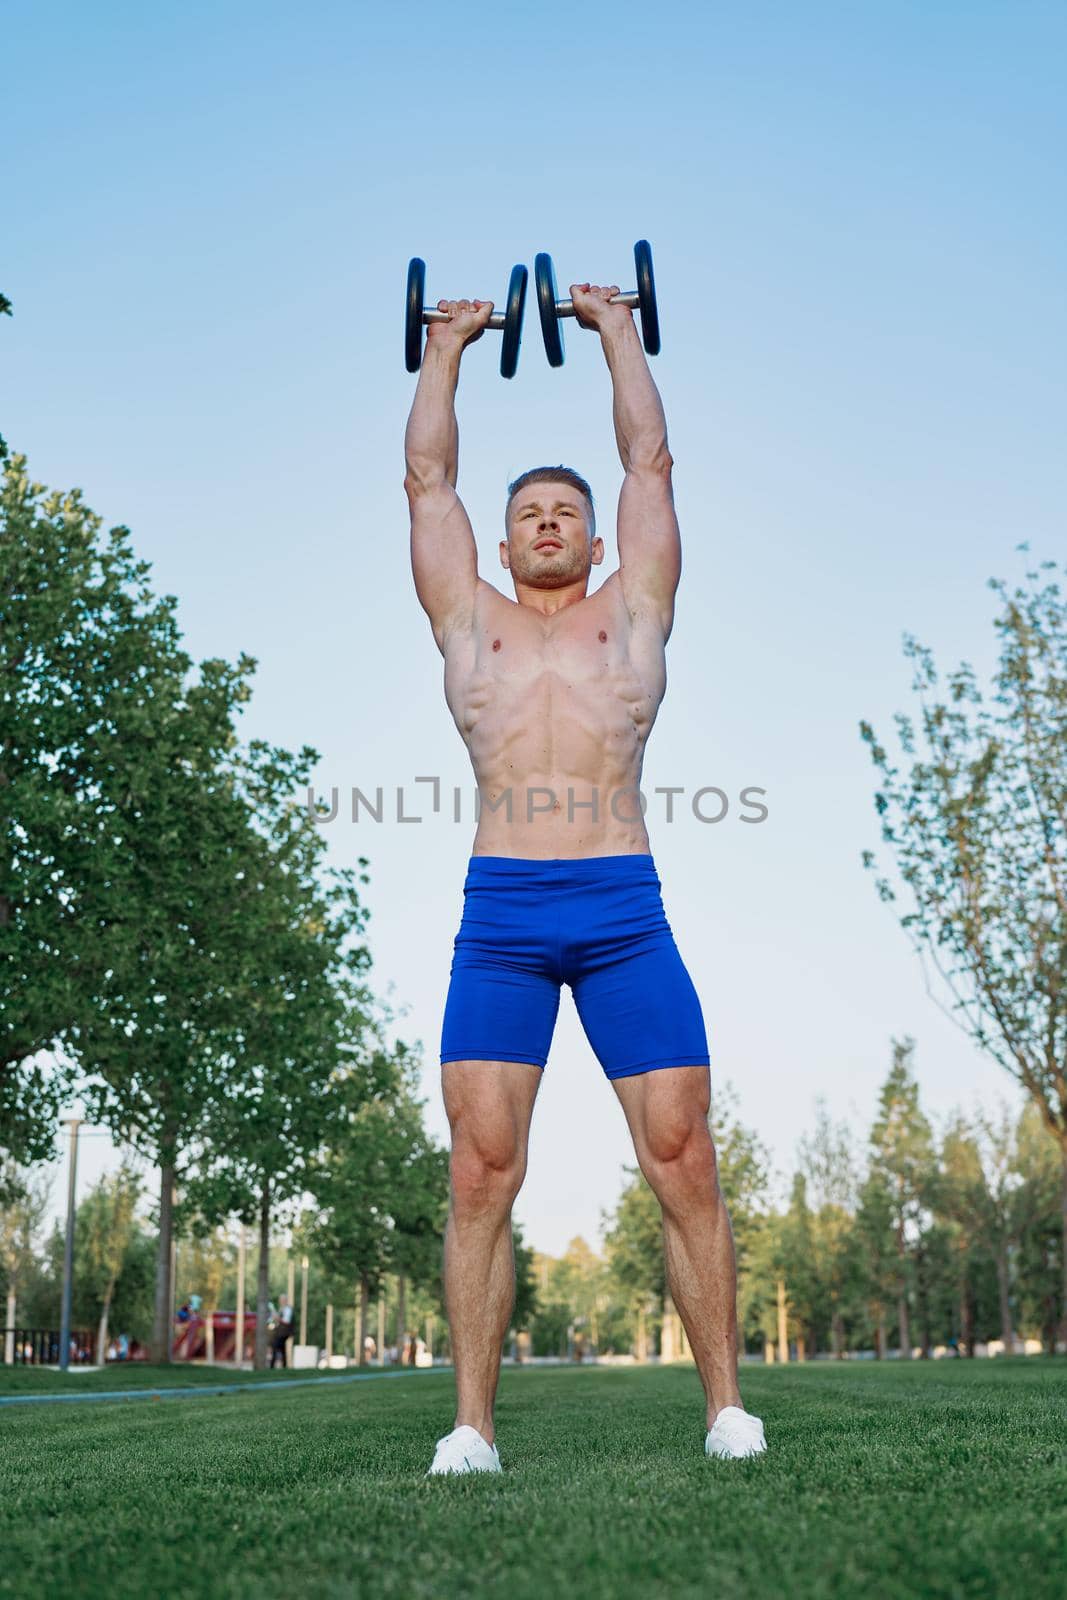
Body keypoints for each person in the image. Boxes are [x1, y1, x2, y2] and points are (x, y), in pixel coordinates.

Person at [405, 279, 767, 1476]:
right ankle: (470, 1428)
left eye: (567, 510)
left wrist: (618, 326)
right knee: (477, 1168)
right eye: (531, 515)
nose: (550, 523)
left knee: (682, 1151)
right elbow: (425, 483)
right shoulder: (472, 625)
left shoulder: (633, 616)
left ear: (596, 536)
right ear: (502, 544)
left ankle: (724, 1410)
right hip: (501, 916)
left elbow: (652, 460)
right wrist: (446, 349)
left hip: (622, 912)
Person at [269, 1294, 294, 1369]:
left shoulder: (287, 1309)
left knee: (275, 1346)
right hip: (280, 1332)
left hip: (284, 1332)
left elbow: (286, 1321)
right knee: (282, 1349)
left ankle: (272, 1366)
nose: (280, 1301)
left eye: (282, 1300)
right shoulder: (281, 1309)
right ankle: (284, 1366)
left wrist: (277, 1318)